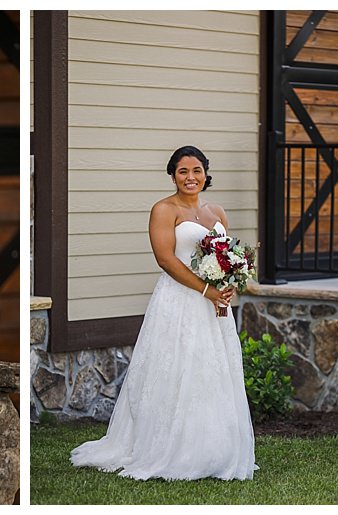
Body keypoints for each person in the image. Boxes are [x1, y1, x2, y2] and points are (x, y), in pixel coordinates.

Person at [70, 145, 258, 481]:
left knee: (211, 372)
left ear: (206, 174)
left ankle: (215, 448)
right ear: (173, 175)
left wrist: (229, 286)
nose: (190, 177)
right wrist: (206, 290)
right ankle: (169, 448)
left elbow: (228, 257)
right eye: (183, 171)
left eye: (196, 170)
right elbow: (166, 259)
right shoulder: (163, 210)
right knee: (177, 370)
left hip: (215, 307)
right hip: (179, 302)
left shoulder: (217, 211)